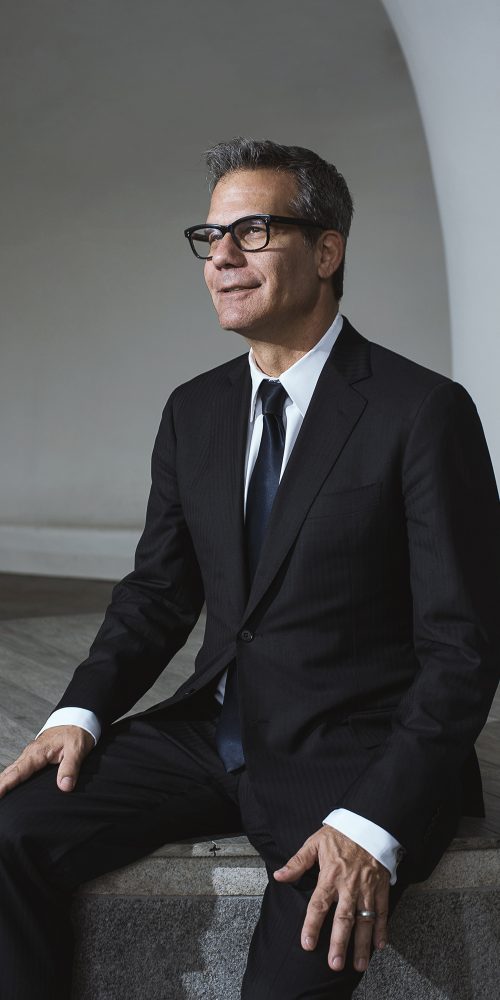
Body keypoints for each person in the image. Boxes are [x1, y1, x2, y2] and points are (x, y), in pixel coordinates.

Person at [1, 138, 499, 1000]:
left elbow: (465, 647)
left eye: (253, 231)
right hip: (213, 734)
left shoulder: (422, 412)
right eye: (210, 236)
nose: (222, 256)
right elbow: (158, 593)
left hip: (354, 756)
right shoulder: (195, 410)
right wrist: (79, 712)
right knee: (10, 831)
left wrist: (376, 820)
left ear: (327, 250)